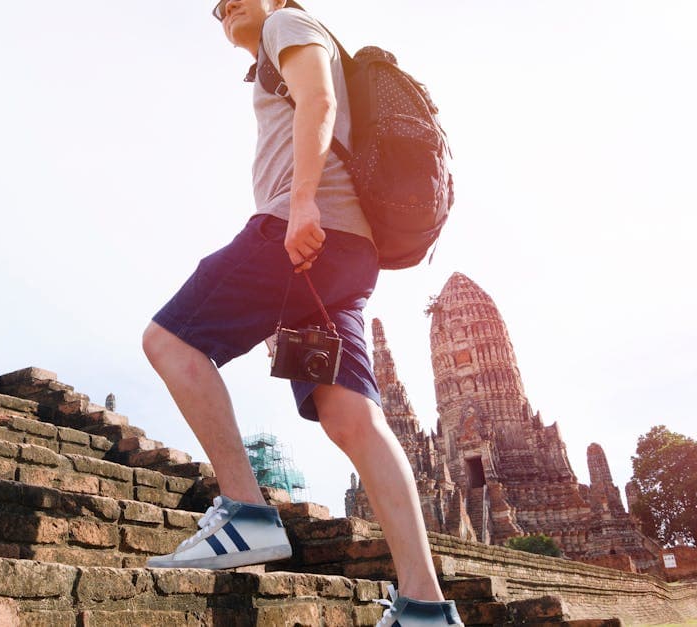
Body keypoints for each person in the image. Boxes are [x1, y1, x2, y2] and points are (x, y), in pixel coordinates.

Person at [141, 1, 462, 625]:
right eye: (216, 5)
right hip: (347, 256)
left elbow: (319, 101)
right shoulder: (276, 45)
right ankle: (425, 607)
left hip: (301, 232)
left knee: (170, 342)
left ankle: (246, 512)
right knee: (353, 420)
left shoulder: (287, 25)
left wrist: (305, 205)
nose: (224, 5)